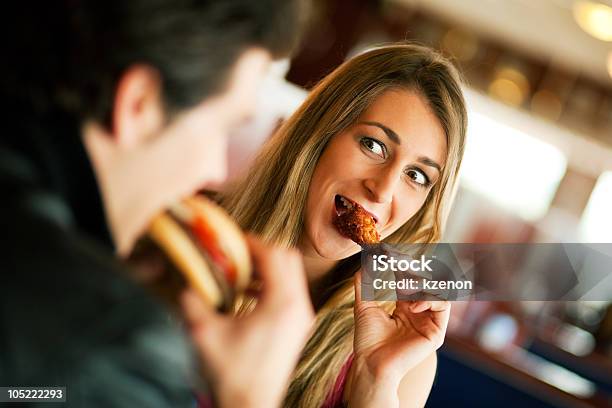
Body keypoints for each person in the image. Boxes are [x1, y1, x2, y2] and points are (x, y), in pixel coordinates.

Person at [0, 1, 314, 407]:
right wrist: (246, 398)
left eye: (421, 176)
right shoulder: (115, 345)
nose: (217, 171)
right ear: (139, 104)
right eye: (224, 127)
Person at [221, 43, 467, 408]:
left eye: (416, 175)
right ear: (318, 134)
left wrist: (374, 379)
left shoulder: (407, 364)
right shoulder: (193, 246)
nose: (383, 189)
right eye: (374, 145)